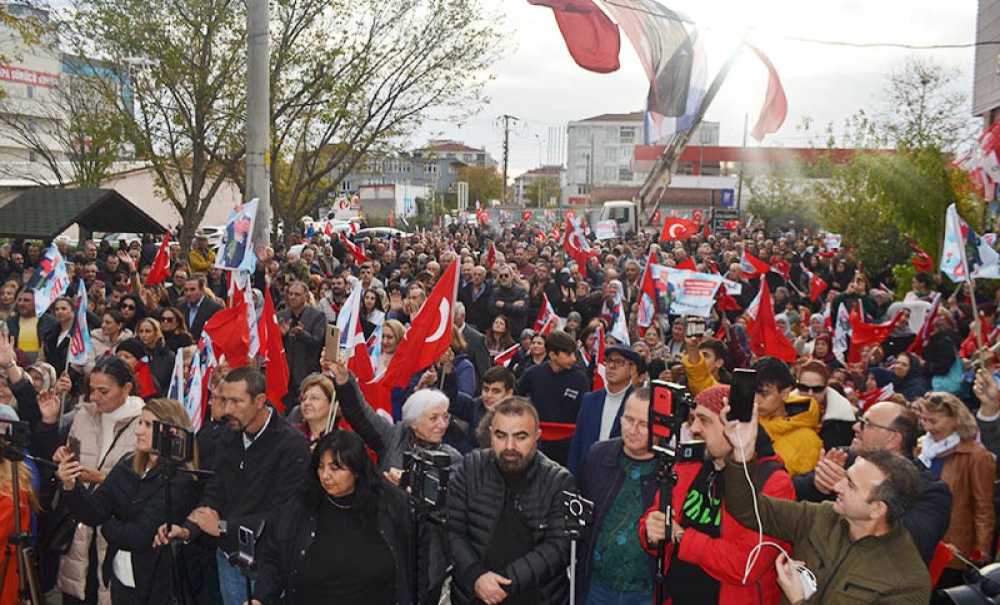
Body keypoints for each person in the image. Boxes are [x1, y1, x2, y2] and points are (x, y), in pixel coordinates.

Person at [720, 402, 930, 604]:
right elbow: (747, 510)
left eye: (851, 485)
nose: (837, 488)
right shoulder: (820, 517)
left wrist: (799, 600)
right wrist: (742, 452)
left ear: (877, 509)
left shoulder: (907, 582)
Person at [155, 367, 310, 605]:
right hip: (228, 558)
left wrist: (224, 527)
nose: (227, 410)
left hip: (269, 568)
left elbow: (284, 516)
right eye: (224, 400)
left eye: (236, 401)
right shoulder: (229, 435)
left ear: (260, 401)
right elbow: (216, 490)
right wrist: (188, 529)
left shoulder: (292, 446)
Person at [638, 384, 795, 605]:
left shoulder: (773, 483)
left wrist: (682, 537)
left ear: (734, 425)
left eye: (704, 420)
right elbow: (657, 514)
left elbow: (746, 565)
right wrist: (651, 531)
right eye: (693, 419)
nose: (694, 428)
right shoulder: (689, 465)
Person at [328, 361, 460, 602]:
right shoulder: (394, 437)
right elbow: (361, 415)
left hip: (429, 554)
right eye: (434, 418)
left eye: (445, 417)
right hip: (385, 544)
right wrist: (345, 381)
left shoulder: (453, 458)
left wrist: (411, 488)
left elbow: (454, 509)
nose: (442, 424)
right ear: (413, 421)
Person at [56, 398, 198, 604]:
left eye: (148, 425)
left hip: (156, 587)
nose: (139, 431)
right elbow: (93, 512)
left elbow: (137, 536)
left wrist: (108, 524)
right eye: (140, 422)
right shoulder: (128, 463)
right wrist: (70, 485)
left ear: (171, 432)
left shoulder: (182, 478)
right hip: (120, 579)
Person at [250, 430, 414, 605]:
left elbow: (415, 560)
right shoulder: (300, 505)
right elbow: (274, 558)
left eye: (335, 468)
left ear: (357, 469)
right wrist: (261, 598)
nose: (325, 475)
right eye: (321, 466)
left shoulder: (390, 505)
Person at [446, 397, 575, 605]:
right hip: (473, 595)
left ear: (537, 437)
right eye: (500, 435)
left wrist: (504, 583)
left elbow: (558, 547)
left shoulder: (559, 481)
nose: (509, 446)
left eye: (520, 437)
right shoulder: (469, 467)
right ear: (490, 434)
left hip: (536, 597)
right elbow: (451, 529)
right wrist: (476, 576)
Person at [792, 401, 952, 564]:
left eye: (866, 424)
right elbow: (792, 490)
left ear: (892, 439)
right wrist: (819, 486)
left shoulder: (932, 493)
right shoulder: (848, 459)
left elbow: (904, 543)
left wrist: (854, 492)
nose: (855, 427)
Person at [53, 356, 145, 605]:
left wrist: (103, 478)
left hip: (115, 530)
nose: (95, 397)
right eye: (91, 389)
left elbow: (147, 482)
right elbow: (72, 452)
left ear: (126, 388)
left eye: (103, 391)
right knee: (77, 592)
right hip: (79, 527)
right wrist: (64, 457)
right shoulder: (83, 416)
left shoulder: (144, 424)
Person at [577, 388, 658, 604]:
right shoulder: (597, 455)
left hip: (646, 592)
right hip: (596, 586)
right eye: (629, 419)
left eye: (643, 424)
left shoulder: (673, 470)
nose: (633, 430)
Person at [915, 392, 996, 590]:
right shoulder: (922, 449)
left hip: (953, 550)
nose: (927, 427)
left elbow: (983, 507)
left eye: (933, 421)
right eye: (924, 420)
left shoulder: (976, 455)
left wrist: (981, 552)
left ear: (955, 420)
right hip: (920, 543)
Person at [517, 330, 589, 467]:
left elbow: (584, 413)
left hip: (567, 448)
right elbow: (516, 399)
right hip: (537, 445)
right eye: (568, 354)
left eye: (574, 353)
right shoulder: (533, 374)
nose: (574, 359)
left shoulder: (580, 379)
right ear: (552, 355)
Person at [567, 345, 638, 475]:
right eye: (609, 361)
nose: (611, 366)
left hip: (621, 476)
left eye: (619, 362)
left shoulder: (638, 404)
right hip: (588, 475)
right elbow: (577, 444)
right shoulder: (590, 400)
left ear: (632, 368)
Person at [753, 356, 822, 476]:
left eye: (764, 393)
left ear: (785, 393)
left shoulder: (808, 441)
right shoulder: (744, 423)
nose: (756, 400)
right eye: (752, 391)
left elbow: (801, 487)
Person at [444, 366, 516, 453]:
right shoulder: (476, 406)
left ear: (509, 393)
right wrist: (448, 372)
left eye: (496, 391)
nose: (489, 395)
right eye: (486, 389)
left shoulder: (520, 417)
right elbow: (452, 399)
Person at [277, 281, 326, 407]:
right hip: (284, 375)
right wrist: (281, 336)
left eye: (297, 294)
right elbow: (273, 346)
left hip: (306, 373)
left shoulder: (317, 316)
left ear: (305, 296)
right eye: (290, 294)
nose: (292, 297)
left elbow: (318, 342)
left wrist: (301, 334)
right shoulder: (281, 315)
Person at [792, 360, 856, 449]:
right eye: (803, 388)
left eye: (817, 389)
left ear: (826, 387)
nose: (810, 393)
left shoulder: (844, 417)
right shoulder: (783, 410)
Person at [7, 289, 56, 363]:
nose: (21, 303)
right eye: (19, 300)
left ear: (36, 303)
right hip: (17, 364)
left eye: (26, 300)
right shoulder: (10, 322)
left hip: (42, 365)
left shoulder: (50, 322)